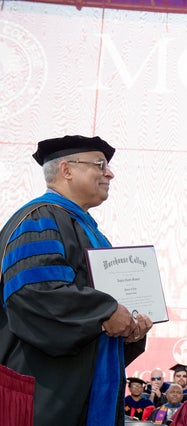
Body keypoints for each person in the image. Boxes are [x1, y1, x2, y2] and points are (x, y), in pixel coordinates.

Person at [0, 135, 153, 425]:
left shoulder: (92, 233)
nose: (110, 173)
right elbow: (34, 292)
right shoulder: (39, 218)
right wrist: (105, 313)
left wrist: (130, 328)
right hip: (47, 388)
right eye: (100, 164)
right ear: (66, 170)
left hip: (84, 388)